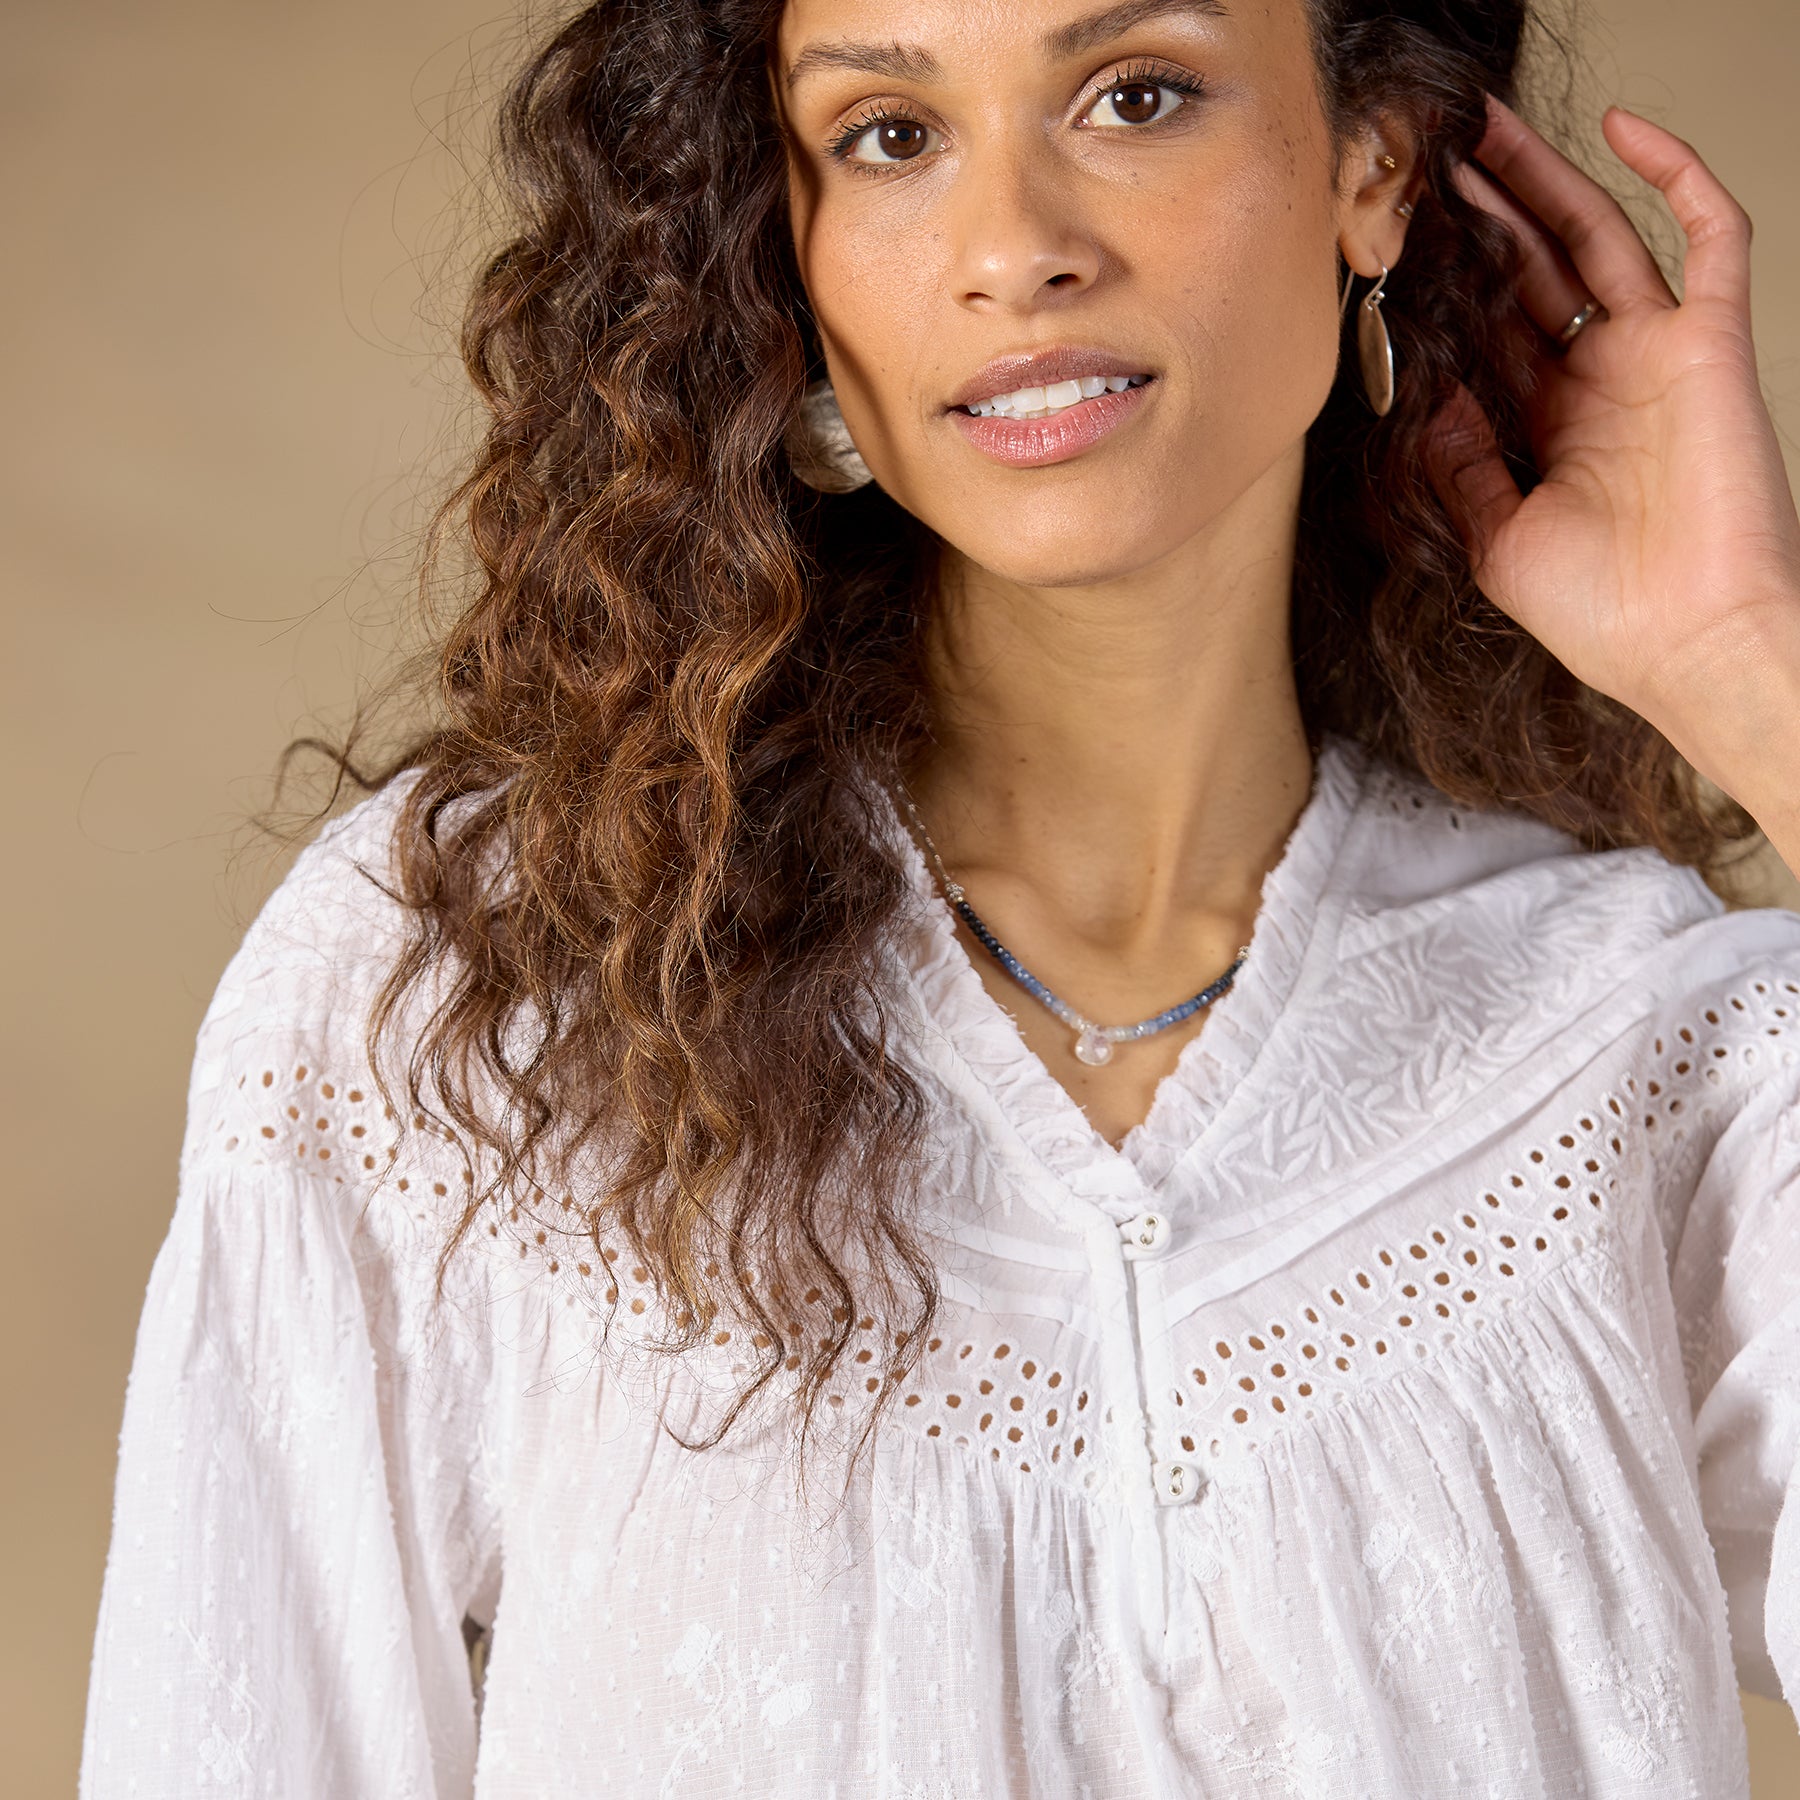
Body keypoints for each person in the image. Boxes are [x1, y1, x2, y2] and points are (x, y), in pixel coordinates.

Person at [81, 0, 1800, 1793]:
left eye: (1136, 96)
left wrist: (1756, 677)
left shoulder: (1650, 1060)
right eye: (890, 136)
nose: (1013, 250)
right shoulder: (478, 993)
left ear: (1372, 166)